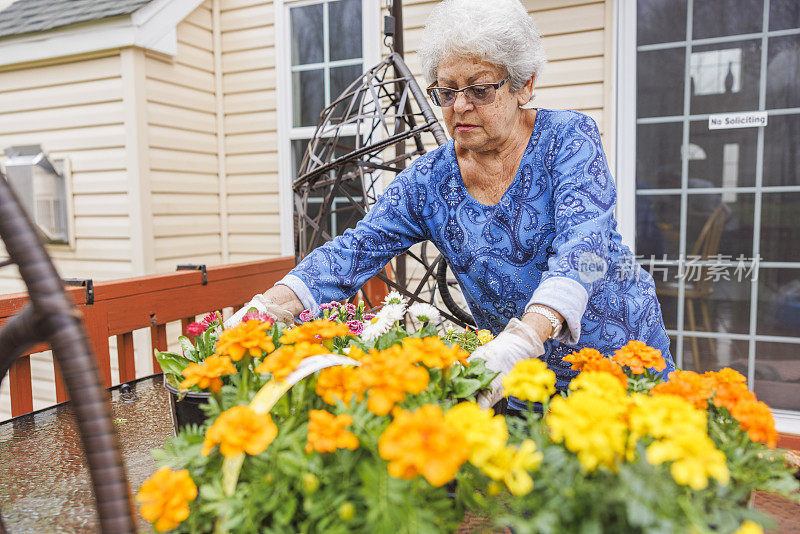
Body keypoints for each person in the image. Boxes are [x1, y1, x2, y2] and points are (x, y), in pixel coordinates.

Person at [228, 0, 675, 410]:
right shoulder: (430, 181)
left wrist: (523, 338)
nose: (459, 106)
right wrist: (270, 306)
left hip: (621, 369)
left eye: (479, 90)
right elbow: (354, 250)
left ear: (524, 86)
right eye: (446, 91)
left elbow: (586, 248)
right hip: (519, 383)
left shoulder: (568, 139)